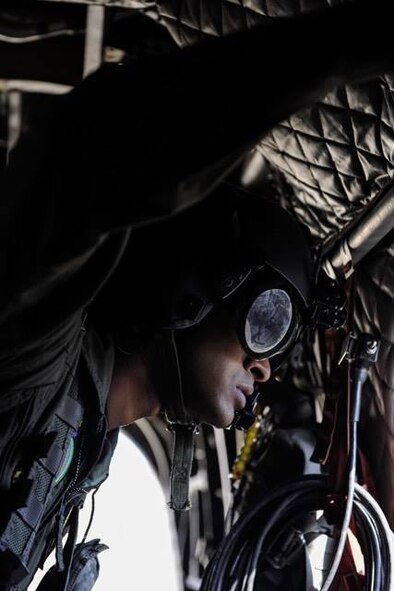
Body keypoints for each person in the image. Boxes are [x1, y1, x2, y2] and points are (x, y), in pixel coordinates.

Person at [1, 1, 394, 589]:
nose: (265, 368)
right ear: (193, 285)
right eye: (266, 322)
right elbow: (70, 168)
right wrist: (353, 42)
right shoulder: (35, 362)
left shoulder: (84, 446)